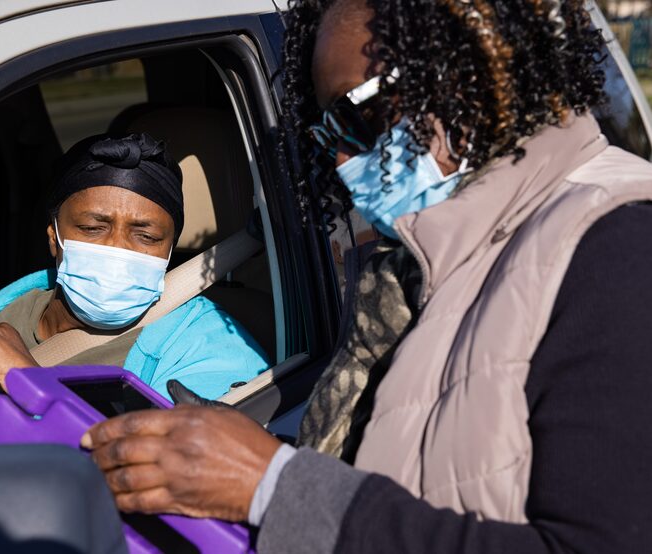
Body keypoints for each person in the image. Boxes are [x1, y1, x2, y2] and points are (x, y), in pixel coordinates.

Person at [79, 1, 652, 552]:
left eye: (360, 114)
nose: (346, 164)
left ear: (474, 67)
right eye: (327, 135)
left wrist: (275, 486)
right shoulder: (413, 274)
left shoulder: (617, 248)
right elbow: (411, 480)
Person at [0, 133, 268, 451]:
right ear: (54, 237)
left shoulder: (208, 350)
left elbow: (160, 490)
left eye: (145, 235)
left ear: (170, 249)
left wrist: (28, 382)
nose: (117, 250)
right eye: (92, 228)